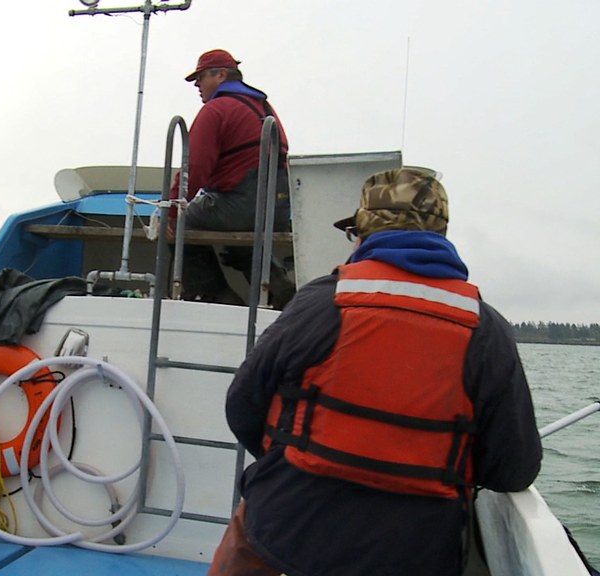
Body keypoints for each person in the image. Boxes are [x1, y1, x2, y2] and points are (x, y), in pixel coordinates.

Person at [211, 167, 542, 576]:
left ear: (364, 235)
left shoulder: (320, 302)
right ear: (440, 235)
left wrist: (297, 458)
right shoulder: (486, 330)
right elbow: (515, 467)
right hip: (413, 556)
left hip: (281, 534)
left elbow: (242, 406)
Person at [169, 49, 291, 306]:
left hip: (239, 205)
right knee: (242, 236)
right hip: (277, 208)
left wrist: (170, 210)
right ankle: (282, 289)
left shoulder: (217, 110)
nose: (198, 86)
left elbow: (195, 168)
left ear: (221, 75)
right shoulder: (264, 109)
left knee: (182, 223)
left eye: (201, 78)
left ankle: (215, 297)